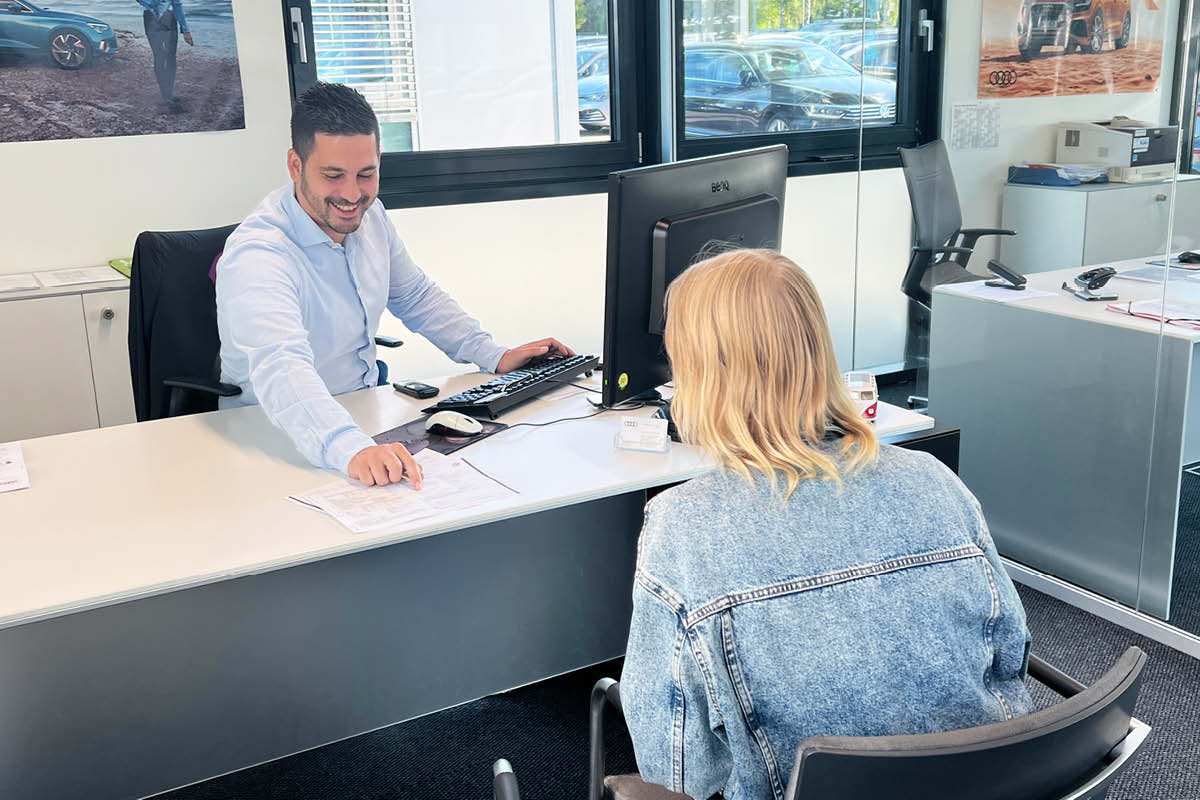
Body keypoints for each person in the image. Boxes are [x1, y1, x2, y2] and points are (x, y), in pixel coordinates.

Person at [620, 249, 1033, 800]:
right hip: (985, 784)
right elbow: (1009, 656)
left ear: (701, 375)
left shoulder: (683, 527)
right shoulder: (933, 480)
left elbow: (678, 767)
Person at [216, 82, 574, 489]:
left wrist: (493, 354)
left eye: (366, 174)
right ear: (295, 166)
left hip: (358, 413)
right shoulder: (258, 255)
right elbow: (282, 367)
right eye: (333, 176)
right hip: (273, 435)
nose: (353, 195)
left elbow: (415, 296)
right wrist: (348, 446)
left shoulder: (372, 219)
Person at [138, 0, 193, 111]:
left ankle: (167, 94)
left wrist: (185, 30)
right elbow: (177, 5)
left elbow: (177, 5)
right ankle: (167, 95)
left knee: (166, 56)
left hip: (157, 17)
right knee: (164, 57)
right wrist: (185, 30)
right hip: (160, 17)